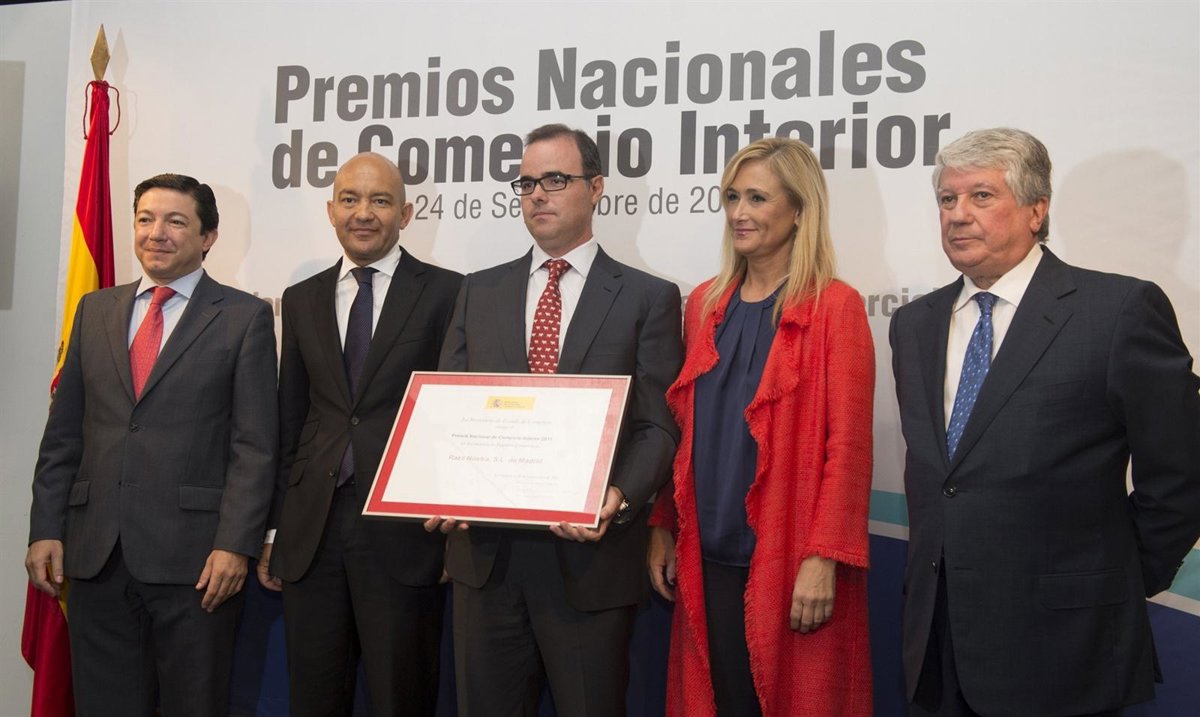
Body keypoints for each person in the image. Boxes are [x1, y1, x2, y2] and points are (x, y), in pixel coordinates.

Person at [890, 127, 1200, 716]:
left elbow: (1180, 477)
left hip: (1067, 648)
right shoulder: (914, 324)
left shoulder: (1118, 311)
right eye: (947, 199)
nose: (958, 214)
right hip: (939, 645)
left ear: (1037, 210)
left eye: (981, 196)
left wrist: (1116, 582)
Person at [425, 123, 683, 716]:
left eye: (556, 180)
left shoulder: (648, 297)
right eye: (526, 183)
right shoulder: (478, 291)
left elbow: (657, 426)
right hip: (485, 560)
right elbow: (448, 411)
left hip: (591, 561)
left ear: (596, 188)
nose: (537, 194)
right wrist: (441, 484)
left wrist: (619, 496)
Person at [25, 174, 278, 716]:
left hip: (196, 564)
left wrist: (235, 544)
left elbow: (254, 446)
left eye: (175, 221)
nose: (156, 233)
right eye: (145, 219)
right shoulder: (95, 310)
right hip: (96, 556)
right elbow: (63, 433)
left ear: (208, 237)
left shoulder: (244, 317)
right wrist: (46, 527)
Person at [647, 138, 875, 716]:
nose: (739, 213)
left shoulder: (835, 307)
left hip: (791, 560)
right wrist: (663, 525)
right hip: (704, 556)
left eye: (757, 198)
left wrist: (824, 557)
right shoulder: (704, 304)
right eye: (731, 197)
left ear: (799, 210)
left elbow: (848, 447)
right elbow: (681, 433)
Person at [259, 152, 461, 716]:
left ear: (406, 213)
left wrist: (454, 536)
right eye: (349, 199)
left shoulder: (448, 292)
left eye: (380, 200)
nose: (363, 213)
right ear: (331, 211)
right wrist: (274, 529)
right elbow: (291, 419)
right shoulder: (301, 298)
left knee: (402, 695)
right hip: (312, 530)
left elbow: (455, 418)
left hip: (405, 532)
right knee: (314, 697)